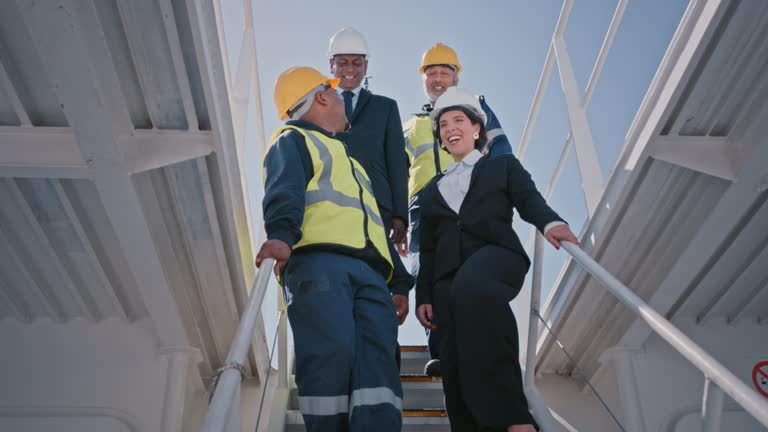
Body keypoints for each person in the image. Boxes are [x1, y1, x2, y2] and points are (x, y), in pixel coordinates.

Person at [415, 87, 579, 432]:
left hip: (495, 256)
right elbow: (428, 249)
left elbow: (528, 198)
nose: (450, 128)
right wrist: (425, 296)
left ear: (477, 129)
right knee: (453, 359)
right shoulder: (430, 191)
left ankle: (514, 418)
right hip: (446, 278)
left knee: (473, 289)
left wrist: (552, 222)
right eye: (443, 125)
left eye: (459, 120)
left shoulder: (501, 165)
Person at [255, 66, 403, 432]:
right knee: (330, 352)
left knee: (379, 358)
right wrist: (281, 236)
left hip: (369, 274)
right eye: (336, 94)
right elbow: (284, 190)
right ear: (321, 96)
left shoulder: (352, 161)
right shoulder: (291, 139)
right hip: (317, 265)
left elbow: (371, 224)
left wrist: (397, 280)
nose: (342, 99)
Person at [402, 42, 513, 376]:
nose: (437, 79)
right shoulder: (410, 125)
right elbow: (395, 174)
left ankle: (483, 350)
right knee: (428, 272)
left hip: (469, 196)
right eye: (431, 73)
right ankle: (442, 351)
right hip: (424, 208)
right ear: (424, 79)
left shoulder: (475, 106)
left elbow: (500, 148)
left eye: (444, 73)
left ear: (456, 76)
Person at [327, 27, 412, 323]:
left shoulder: (385, 108)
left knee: (377, 284)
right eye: (343, 62)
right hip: (332, 208)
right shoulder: (320, 104)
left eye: (356, 63)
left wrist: (400, 216)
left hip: (378, 209)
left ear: (366, 66)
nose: (349, 69)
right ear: (331, 65)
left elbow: (396, 162)